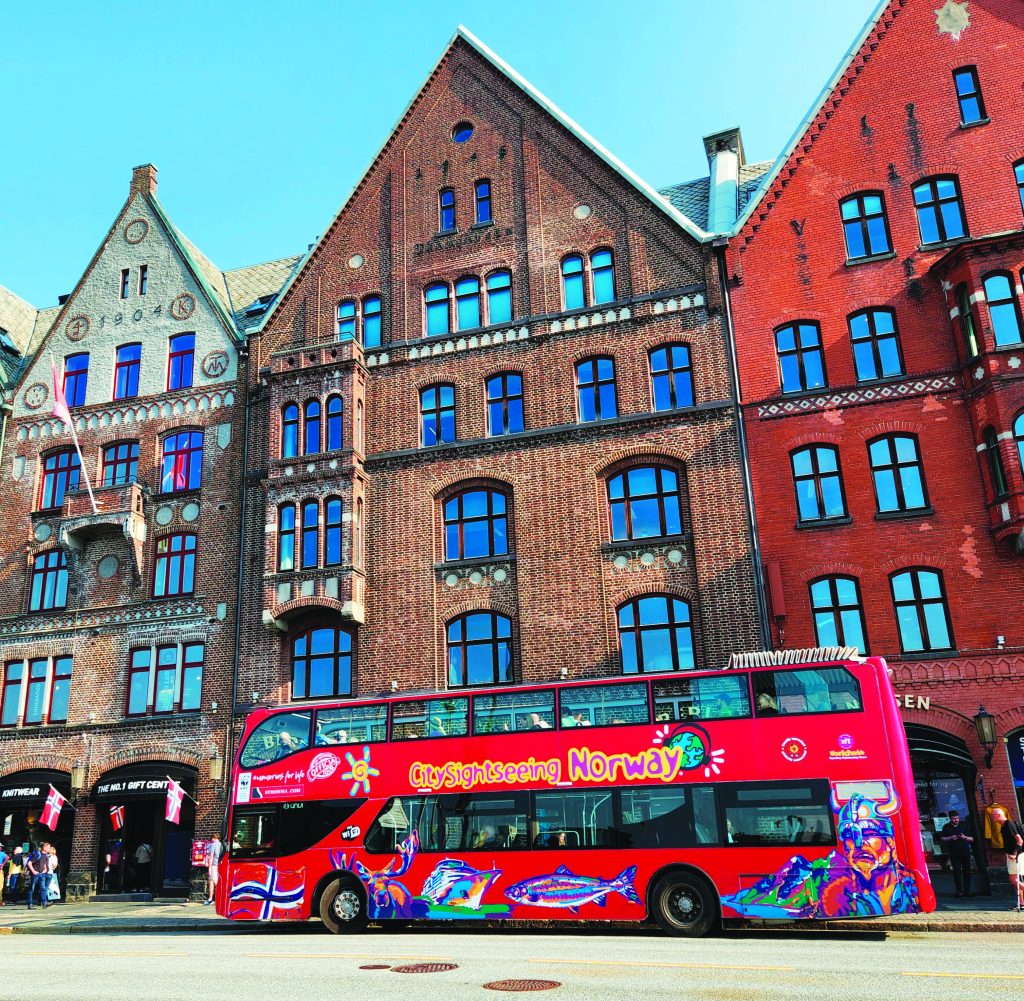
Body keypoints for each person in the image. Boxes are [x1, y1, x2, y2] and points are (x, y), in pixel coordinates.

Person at [992, 807, 1024, 908]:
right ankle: (1022, 903)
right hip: (1013, 855)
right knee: (1016, 880)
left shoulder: (1008, 825)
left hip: (1015, 856)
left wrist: (1015, 854)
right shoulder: (1004, 826)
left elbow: (1019, 840)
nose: (992, 817)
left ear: (998, 815)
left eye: (993, 815)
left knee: (1013, 879)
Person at [939, 810, 974, 897]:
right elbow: (942, 839)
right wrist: (950, 838)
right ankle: (959, 891)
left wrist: (964, 837)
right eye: (954, 818)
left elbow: (972, 839)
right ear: (950, 818)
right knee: (957, 871)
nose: (956, 820)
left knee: (967, 870)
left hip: (965, 850)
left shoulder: (964, 825)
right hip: (954, 851)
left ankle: (967, 890)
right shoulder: (946, 827)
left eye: (957, 818)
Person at [24, 842, 49, 910]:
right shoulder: (37, 854)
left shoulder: (46, 855)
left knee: (43, 888)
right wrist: (33, 871)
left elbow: (44, 863)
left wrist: (45, 869)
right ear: (44, 847)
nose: (49, 849)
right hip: (35, 874)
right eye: (48, 847)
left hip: (42, 874)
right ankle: (30, 904)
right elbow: (29, 863)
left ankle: (44, 903)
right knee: (31, 889)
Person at [203, 835, 223, 905]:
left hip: (214, 865)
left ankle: (211, 899)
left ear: (213, 838)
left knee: (211, 881)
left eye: (211, 839)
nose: (211, 840)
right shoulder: (221, 844)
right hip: (220, 865)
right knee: (217, 881)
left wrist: (209, 867)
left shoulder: (213, 845)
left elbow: (211, 857)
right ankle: (219, 898)